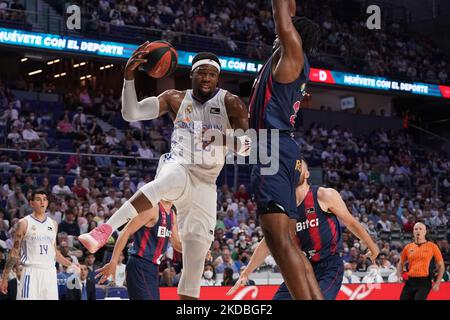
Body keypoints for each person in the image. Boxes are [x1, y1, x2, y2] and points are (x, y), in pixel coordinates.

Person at [79, 45, 249, 300]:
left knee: (196, 256)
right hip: (179, 163)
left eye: (211, 75)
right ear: (191, 75)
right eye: (201, 73)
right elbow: (131, 113)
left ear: (218, 78)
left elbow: (247, 147)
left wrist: (220, 137)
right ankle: (103, 230)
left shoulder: (231, 103)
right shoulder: (174, 98)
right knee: (166, 180)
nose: (206, 78)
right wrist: (128, 77)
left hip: (206, 183)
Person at [248, 0, 320, 300]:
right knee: (288, 239)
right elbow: (287, 11)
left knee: (277, 240)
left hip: (272, 147)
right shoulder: (287, 60)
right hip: (281, 146)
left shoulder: (292, 52)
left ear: (293, 36)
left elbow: (281, 14)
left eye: (286, 30)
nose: (277, 34)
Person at [229, 160, 379, 300]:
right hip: (300, 267)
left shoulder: (324, 195)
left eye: (299, 166)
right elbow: (269, 241)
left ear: (307, 174)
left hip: (328, 265)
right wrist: (246, 273)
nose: (295, 169)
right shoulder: (284, 206)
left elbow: (351, 222)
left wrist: (373, 247)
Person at [96, 201, 181, 300]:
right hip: (140, 264)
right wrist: (113, 261)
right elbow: (126, 231)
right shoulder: (152, 208)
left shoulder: (172, 213)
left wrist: (200, 250)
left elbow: (177, 244)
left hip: (153, 268)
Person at [0, 190, 75, 299]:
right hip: (31, 272)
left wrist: (71, 264)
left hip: (50, 273)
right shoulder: (24, 223)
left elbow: (54, 253)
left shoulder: (53, 224)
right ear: (31, 203)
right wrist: (5, 277)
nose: (42, 202)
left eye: (44, 199)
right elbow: (14, 252)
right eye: (38, 199)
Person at [397, 222, 445, 300]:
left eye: (420, 229)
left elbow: (441, 266)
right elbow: (400, 263)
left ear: (425, 232)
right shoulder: (408, 247)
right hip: (410, 281)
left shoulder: (432, 246)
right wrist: (399, 276)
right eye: (416, 229)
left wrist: (437, 283)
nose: (418, 231)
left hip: (424, 281)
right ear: (413, 232)